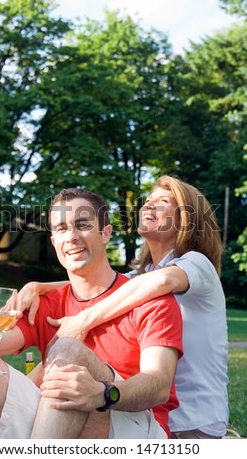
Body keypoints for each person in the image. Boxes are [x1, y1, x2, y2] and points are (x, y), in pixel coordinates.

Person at [0, 187, 183, 439]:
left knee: (68, 350)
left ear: (106, 233)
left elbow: (158, 384)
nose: (71, 236)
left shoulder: (148, 298)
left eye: (82, 224)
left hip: (127, 421)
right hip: (52, 421)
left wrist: (102, 392)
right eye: (61, 228)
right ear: (54, 242)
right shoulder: (46, 302)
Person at [18, 175, 229, 439]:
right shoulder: (141, 277)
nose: (148, 206)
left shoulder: (197, 264)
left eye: (162, 202)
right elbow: (100, 279)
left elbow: (162, 281)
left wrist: (84, 320)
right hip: (145, 415)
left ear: (187, 219)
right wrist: (38, 286)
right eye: (147, 201)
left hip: (193, 427)